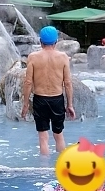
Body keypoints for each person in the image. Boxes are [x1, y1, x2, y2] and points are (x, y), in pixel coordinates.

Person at [20, 26, 76, 155]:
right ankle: (61, 165)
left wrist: (25, 104)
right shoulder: (63, 57)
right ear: (56, 42)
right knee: (59, 134)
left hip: (40, 100)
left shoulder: (33, 57)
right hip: (57, 99)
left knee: (43, 137)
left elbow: (28, 82)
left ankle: (43, 169)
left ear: (41, 41)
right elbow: (67, 83)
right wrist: (70, 105)